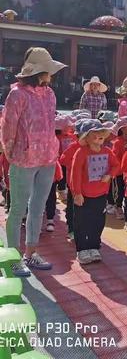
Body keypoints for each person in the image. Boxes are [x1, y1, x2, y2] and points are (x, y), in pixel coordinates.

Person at [1, 47, 67, 276]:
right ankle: (12, 258)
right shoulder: (17, 94)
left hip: (47, 159)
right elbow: (8, 127)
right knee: (18, 209)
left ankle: (30, 254)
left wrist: (54, 151)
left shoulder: (49, 94)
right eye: (49, 71)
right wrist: (10, 154)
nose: (51, 75)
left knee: (37, 208)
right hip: (23, 159)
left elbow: (50, 124)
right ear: (39, 72)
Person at [71, 120, 120, 265]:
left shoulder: (107, 151)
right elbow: (75, 174)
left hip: (101, 194)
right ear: (86, 137)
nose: (99, 137)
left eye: (101, 134)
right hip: (84, 195)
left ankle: (94, 246)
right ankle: (82, 249)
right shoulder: (81, 153)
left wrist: (110, 175)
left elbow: (116, 165)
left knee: (98, 221)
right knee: (81, 222)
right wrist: (77, 193)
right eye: (95, 134)